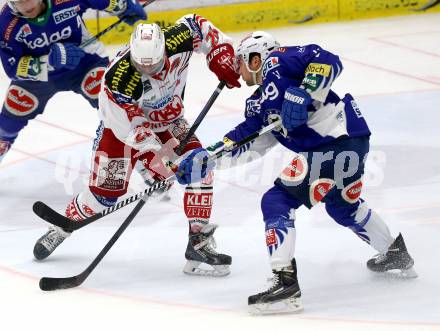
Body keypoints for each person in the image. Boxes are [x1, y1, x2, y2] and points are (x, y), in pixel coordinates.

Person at [176, 31, 417, 314]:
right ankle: (395, 253)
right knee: (342, 207)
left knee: (276, 201)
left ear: (256, 58)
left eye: (241, 62)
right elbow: (251, 141)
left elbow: (325, 59)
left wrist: (305, 91)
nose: (239, 71)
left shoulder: (277, 61)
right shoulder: (258, 103)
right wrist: (208, 158)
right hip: (349, 142)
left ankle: (285, 283)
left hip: (335, 142)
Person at [33, 15, 241, 277]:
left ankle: (198, 242)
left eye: (154, 66)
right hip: (122, 131)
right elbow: (136, 134)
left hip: (169, 120)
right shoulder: (117, 80)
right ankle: (61, 228)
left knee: (200, 167)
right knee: (104, 195)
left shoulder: (180, 36)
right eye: (141, 67)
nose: (148, 72)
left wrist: (221, 55)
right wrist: (162, 164)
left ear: (163, 50)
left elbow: (203, 27)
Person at [0, 0, 147, 164]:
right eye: (20, 2)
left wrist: (124, 6)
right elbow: (12, 68)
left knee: (118, 107)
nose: (26, 6)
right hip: (37, 79)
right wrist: (48, 60)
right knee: (6, 126)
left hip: (86, 62)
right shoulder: (6, 23)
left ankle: (147, 159)